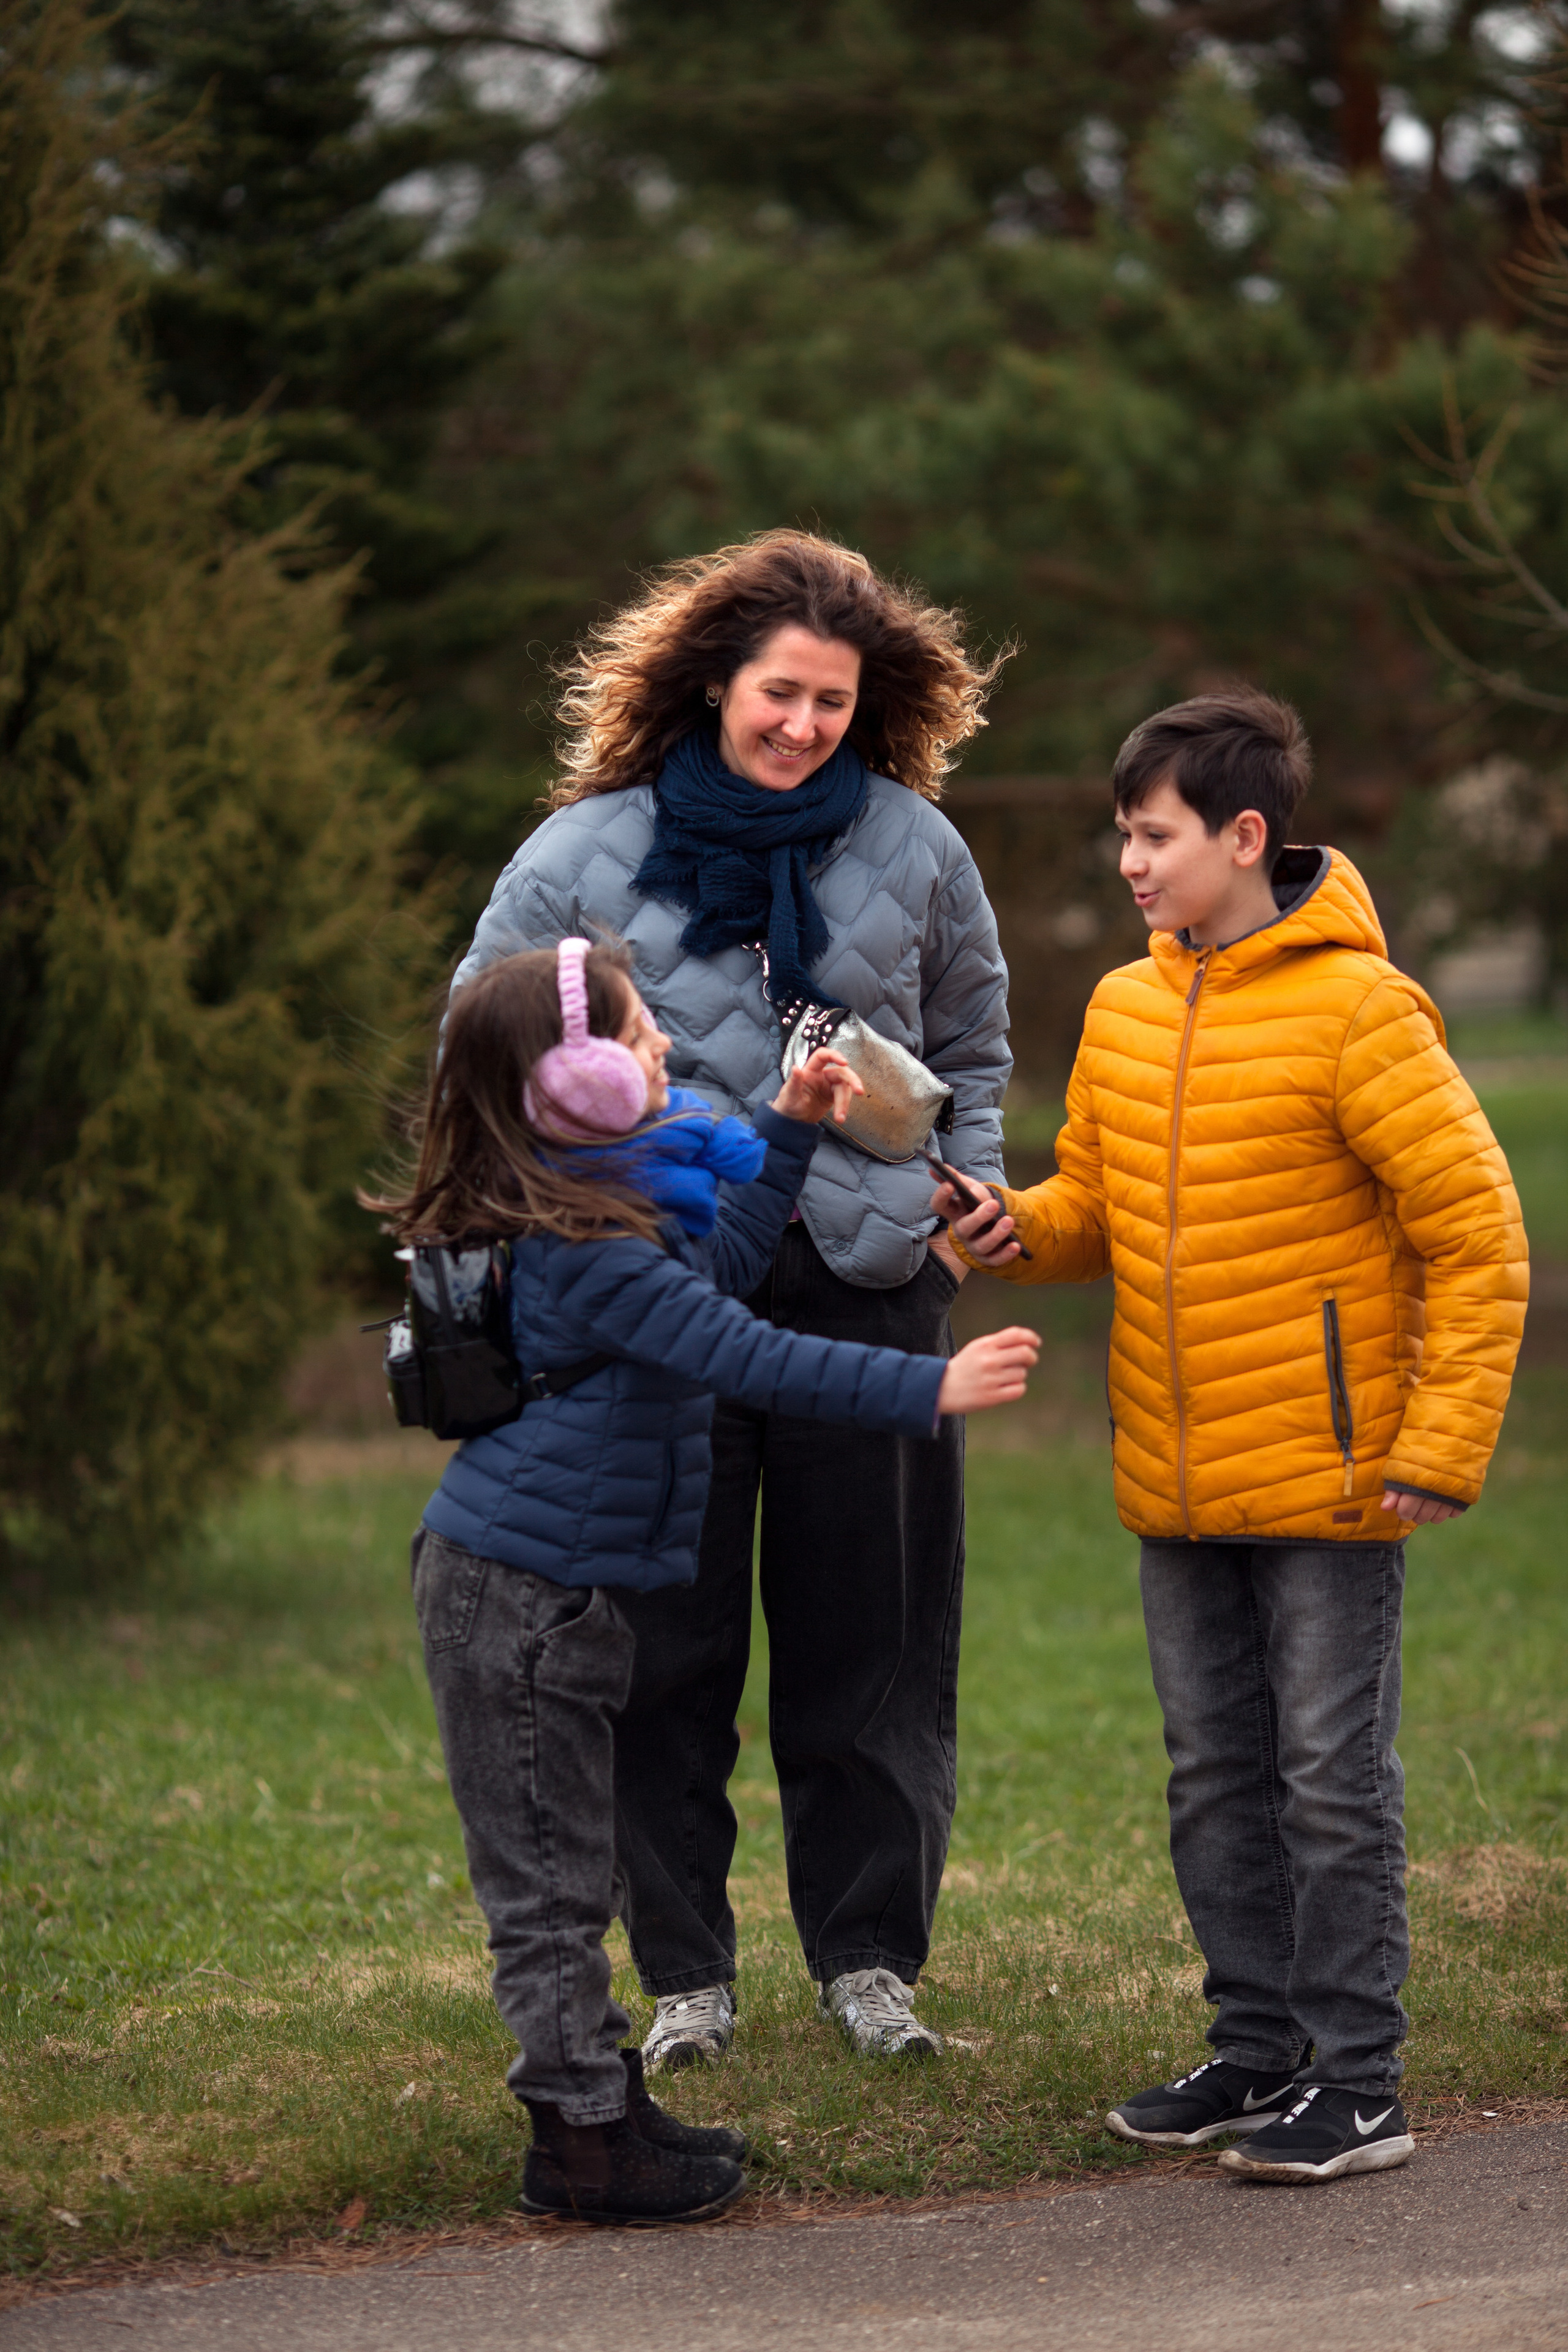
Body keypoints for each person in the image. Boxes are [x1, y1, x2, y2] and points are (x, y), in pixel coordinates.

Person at [937, 687, 1528, 2185]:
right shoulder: (1128, 1011)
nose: (1126, 863)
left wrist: (1438, 1440)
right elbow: (1099, 1212)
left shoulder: (1359, 1011)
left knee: (1329, 1777)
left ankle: (1358, 2080)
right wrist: (1015, 1227)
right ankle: (1255, 2051)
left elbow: (1477, 1235)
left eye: (1152, 836)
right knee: (1212, 1776)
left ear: (1242, 836)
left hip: (1333, 1476)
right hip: (1176, 1472)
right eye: (1121, 835)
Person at [364, 937, 1039, 2226]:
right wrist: (925, 1384)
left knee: (558, 1872)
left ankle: (595, 2113)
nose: (664, 1048)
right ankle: (581, 2144)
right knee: (551, 1889)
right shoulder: (587, 1244)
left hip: (545, 1594)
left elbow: (722, 1269)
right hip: (513, 1600)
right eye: (635, 1035)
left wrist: (784, 1131)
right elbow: (742, 1347)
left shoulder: (603, 1203)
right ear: (574, 1082)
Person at [452, 530, 1012, 2067]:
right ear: (713, 682)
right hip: (660, 1308)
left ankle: (869, 1966)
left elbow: (971, 1040)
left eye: (832, 701)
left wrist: (962, 1195)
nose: (803, 727)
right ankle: (686, 1976)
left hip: (870, 1288)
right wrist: (585, 1207)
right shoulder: (576, 857)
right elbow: (479, 1046)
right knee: (660, 1651)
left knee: (874, 1647)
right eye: (779, 693)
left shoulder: (916, 845)